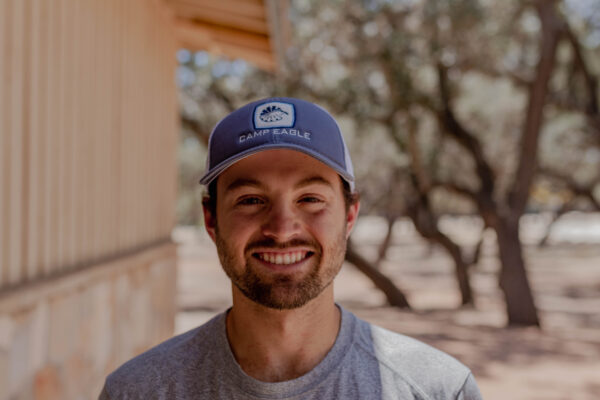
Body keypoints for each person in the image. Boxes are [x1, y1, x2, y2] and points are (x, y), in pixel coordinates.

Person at [99, 97, 483, 399]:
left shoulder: (436, 390)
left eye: (311, 198)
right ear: (211, 219)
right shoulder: (139, 391)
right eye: (250, 200)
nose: (282, 230)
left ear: (350, 216)